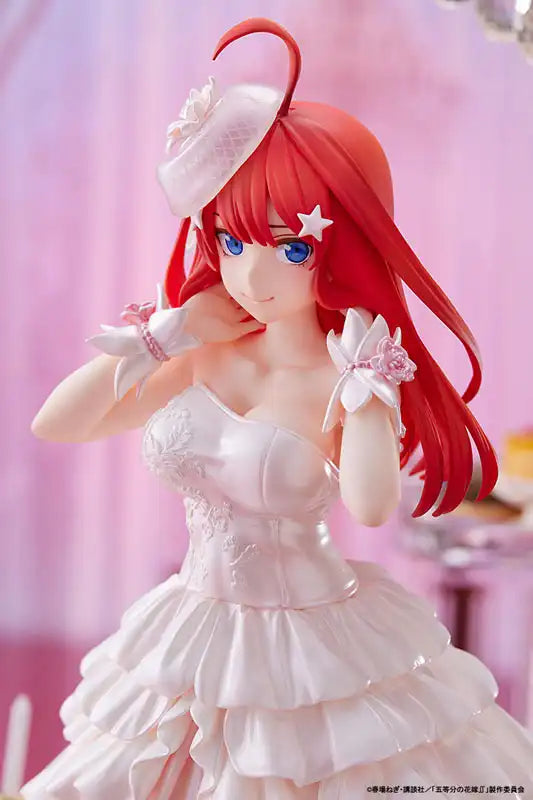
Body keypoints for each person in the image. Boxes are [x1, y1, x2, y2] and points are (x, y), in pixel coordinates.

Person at [18, 16, 533, 800]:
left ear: (340, 247)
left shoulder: (344, 372)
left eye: (290, 247)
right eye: (231, 241)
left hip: (310, 639)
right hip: (192, 626)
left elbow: (369, 505)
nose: (252, 275)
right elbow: (57, 422)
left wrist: (365, 387)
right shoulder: (201, 347)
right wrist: (170, 332)